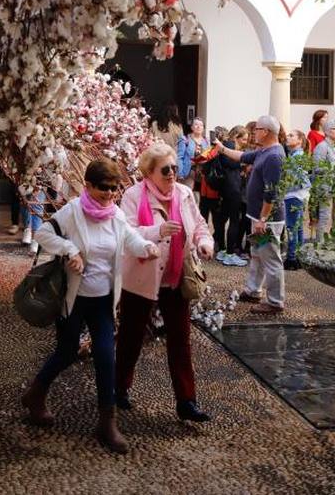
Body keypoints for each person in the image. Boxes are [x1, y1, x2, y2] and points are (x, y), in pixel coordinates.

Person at [21, 158, 159, 454]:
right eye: (103, 189)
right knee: (68, 351)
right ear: (88, 186)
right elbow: (45, 233)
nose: (110, 194)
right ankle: (36, 393)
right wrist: (70, 249)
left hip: (103, 299)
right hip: (74, 298)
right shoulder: (73, 212)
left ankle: (107, 423)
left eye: (114, 188)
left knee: (107, 357)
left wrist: (146, 248)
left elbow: (129, 238)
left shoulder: (115, 214)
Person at [115, 142, 214, 423]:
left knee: (181, 340)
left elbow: (200, 225)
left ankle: (186, 401)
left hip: (175, 277)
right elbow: (127, 233)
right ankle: (119, 387)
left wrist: (204, 242)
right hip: (142, 277)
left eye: (175, 168)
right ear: (149, 173)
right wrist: (157, 231)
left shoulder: (183, 194)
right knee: (131, 336)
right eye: (166, 170)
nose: (173, 174)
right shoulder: (134, 195)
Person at [215, 115, 286, 315]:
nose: (254, 132)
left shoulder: (274, 156)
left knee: (270, 258)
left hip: (267, 220)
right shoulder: (264, 150)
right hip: (258, 217)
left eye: (257, 129)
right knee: (257, 255)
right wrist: (221, 148)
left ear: (267, 132)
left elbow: (271, 192)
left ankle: (275, 302)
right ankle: (253, 290)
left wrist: (263, 219)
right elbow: (242, 157)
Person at [216, 125, 249, 266]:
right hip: (233, 188)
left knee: (222, 219)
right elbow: (228, 163)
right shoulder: (229, 145)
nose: (245, 142)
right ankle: (229, 254)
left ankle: (223, 250)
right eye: (244, 139)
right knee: (234, 221)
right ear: (236, 136)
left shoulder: (226, 145)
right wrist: (242, 164)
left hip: (226, 187)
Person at [313, 120, 335, 242]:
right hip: (326, 186)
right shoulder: (321, 147)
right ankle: (320, 245)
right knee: (325, 216)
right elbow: (316, 168)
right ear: (327, 131)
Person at [283, 130, 311, 270]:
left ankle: (292, 258)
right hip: (299, 195)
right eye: (288, 135)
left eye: (291, 135)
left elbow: (295, 180)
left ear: (300, 141)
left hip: (294, 196)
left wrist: (282, 188)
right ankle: (298, 256)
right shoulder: (295, 155)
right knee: (298, 227)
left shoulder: (297, 157)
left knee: (292, 227)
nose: (288, 137)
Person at [177, 116, 208, 194]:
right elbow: (179, 157)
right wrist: (180, 173)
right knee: (187, 195)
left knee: (199, 199)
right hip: (189, 172)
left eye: (201, 125)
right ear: (192, 127)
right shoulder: (185, 139)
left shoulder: (206, 141)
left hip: (202, 174)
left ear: (203, 128)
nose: (198, 127)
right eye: (196, 125)